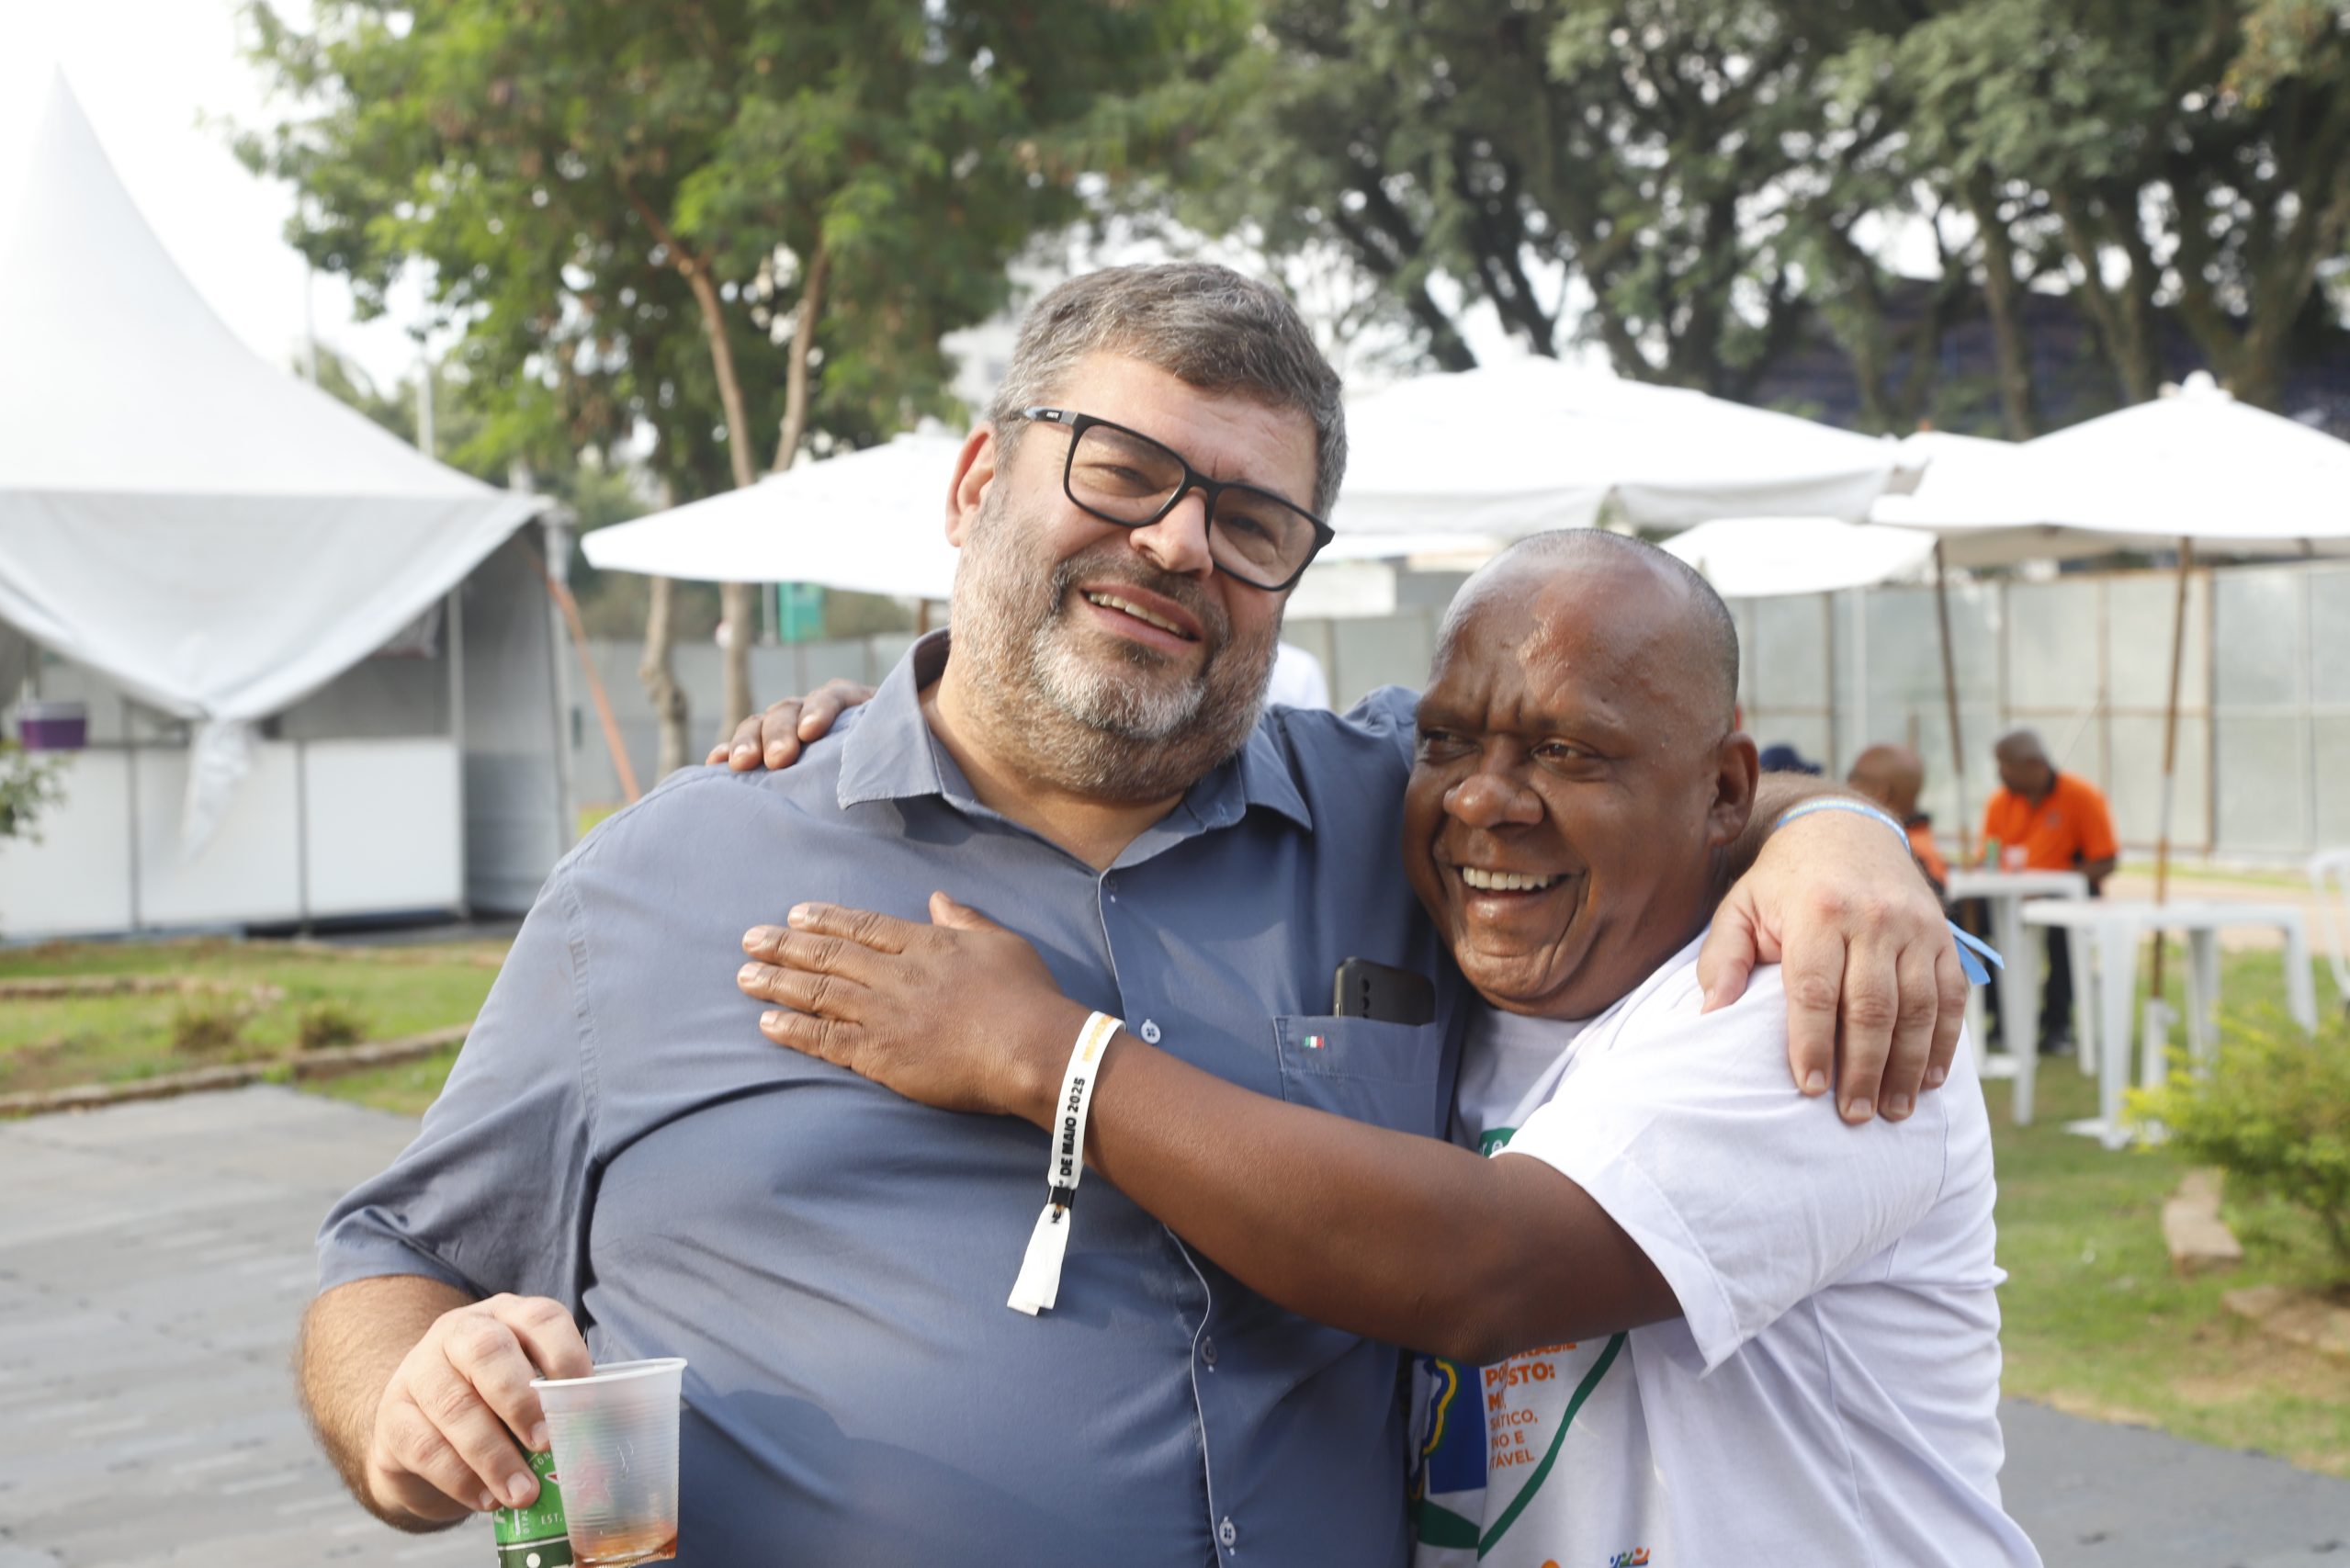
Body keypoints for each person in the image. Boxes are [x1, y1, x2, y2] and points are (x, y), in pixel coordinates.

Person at [299, 263, 1962, 1567]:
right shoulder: (667, 877)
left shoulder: (1398, 810)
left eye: (1251, 520)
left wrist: (1840, 838)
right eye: (1123, 470)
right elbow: (395, 1259)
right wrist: (407, 1400)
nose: (1177, 541)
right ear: (978, 481)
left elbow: (1631, 782)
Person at [736, 531, 2035, 1563]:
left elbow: (1481, 1270)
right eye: (1447, 740)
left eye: (1568, 750)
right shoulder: (1439, 966)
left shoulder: (1819, 1006)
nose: (1484, 799)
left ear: (1725, 792)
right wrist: (938, 721)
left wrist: (1046, 1056)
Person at [1981, 727, 2118, 1054]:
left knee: (2062, 932)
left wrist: (2054, 885)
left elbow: (2105, 860)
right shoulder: (2000, 802)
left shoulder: (2081, 796)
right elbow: (1988, 856)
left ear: (2034, 764)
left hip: (2068, 895)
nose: (2000, 774)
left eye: (2006, 765)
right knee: (1973, 924)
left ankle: (2058, 1025)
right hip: (2009, 896)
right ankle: (2004, 1018)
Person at [1849, 740, 1950, 894]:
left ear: (1879, 792)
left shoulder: (1898, 853)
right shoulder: (1921, 843)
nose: (1847, 786)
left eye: (1854, 778)